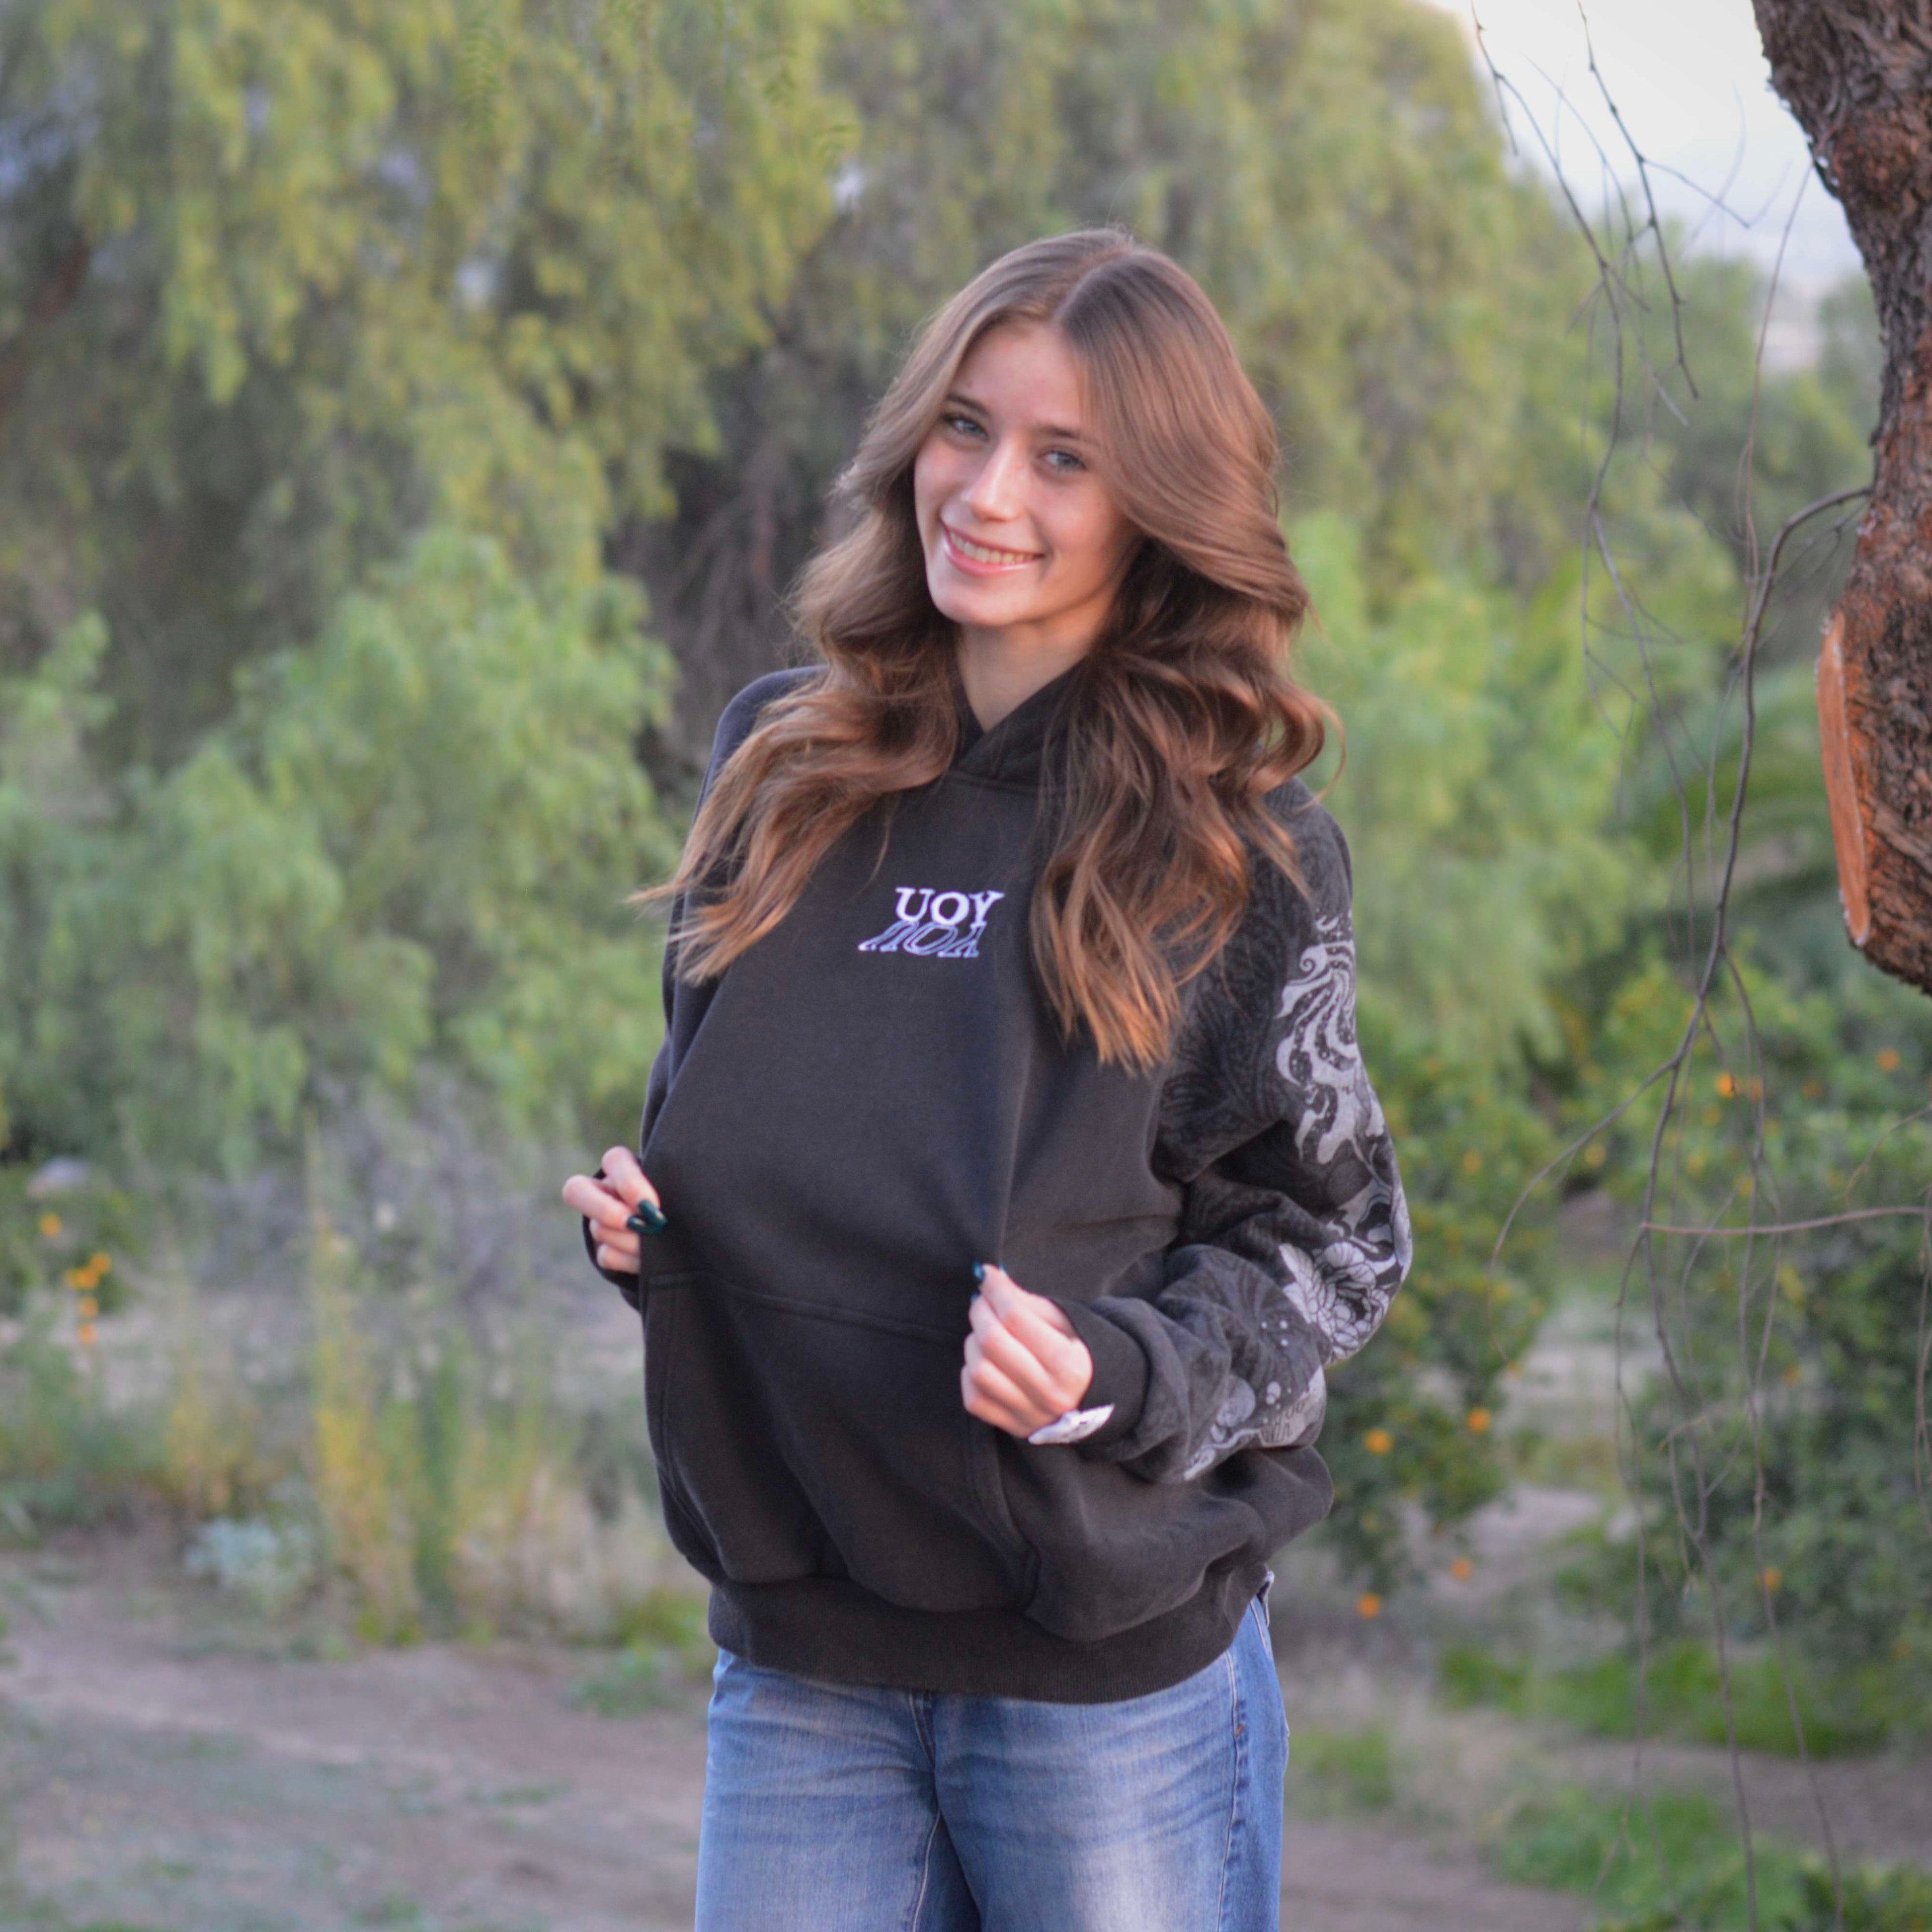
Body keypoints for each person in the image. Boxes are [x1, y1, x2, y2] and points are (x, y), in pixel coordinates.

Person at [560, 226, 1412, 1932]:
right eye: (965, 427)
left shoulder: (1240, 850)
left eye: (1065, 456)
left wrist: (1110, 1370)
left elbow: (1338, 1248)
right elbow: (714, 1113)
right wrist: (656, 1234)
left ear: (1156, 501)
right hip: (803, 1661)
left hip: (1098, 1684)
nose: (989, 490)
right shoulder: (776, 765)